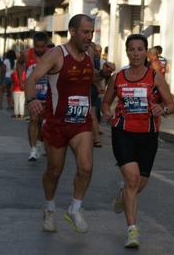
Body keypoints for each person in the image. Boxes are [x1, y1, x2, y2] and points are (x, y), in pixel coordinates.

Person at [25, 14, 115, 234]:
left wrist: (102, 73)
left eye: (91, 32)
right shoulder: (56, 54)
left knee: (86, 166)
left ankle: (75, 208)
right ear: (72, 31)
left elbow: (89, 76)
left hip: (81, 122)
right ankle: (49, 209)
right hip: (56, 123)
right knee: (54, 172)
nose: (89, 36)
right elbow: (32, 79)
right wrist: (31, 99)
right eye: (85, 32)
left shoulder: (90, 53)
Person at [102, 34, 174, 248]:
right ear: (127, 52)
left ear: (146, 52)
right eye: (132, 49)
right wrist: (105, 111)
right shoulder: (118, 77)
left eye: (140, 49)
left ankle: (123, 194)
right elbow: (106, 103)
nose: (136, 54)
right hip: (122, 132)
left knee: (138, 184)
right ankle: (131, 231)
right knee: (132, 179)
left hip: (148, 135)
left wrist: (163, 108)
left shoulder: (155, 78)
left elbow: (172, 105)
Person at [16, 32, 49, 161]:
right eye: (37, 46)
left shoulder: (52, 54)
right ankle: (33, 149)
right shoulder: (26, 54)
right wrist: (21, 79)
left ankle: (40, 143)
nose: (39, 49)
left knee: (42, 120)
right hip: (32, 92)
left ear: (46, 45)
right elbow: (19, 64)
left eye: (42, 47)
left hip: (47, 92)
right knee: (34, 119)